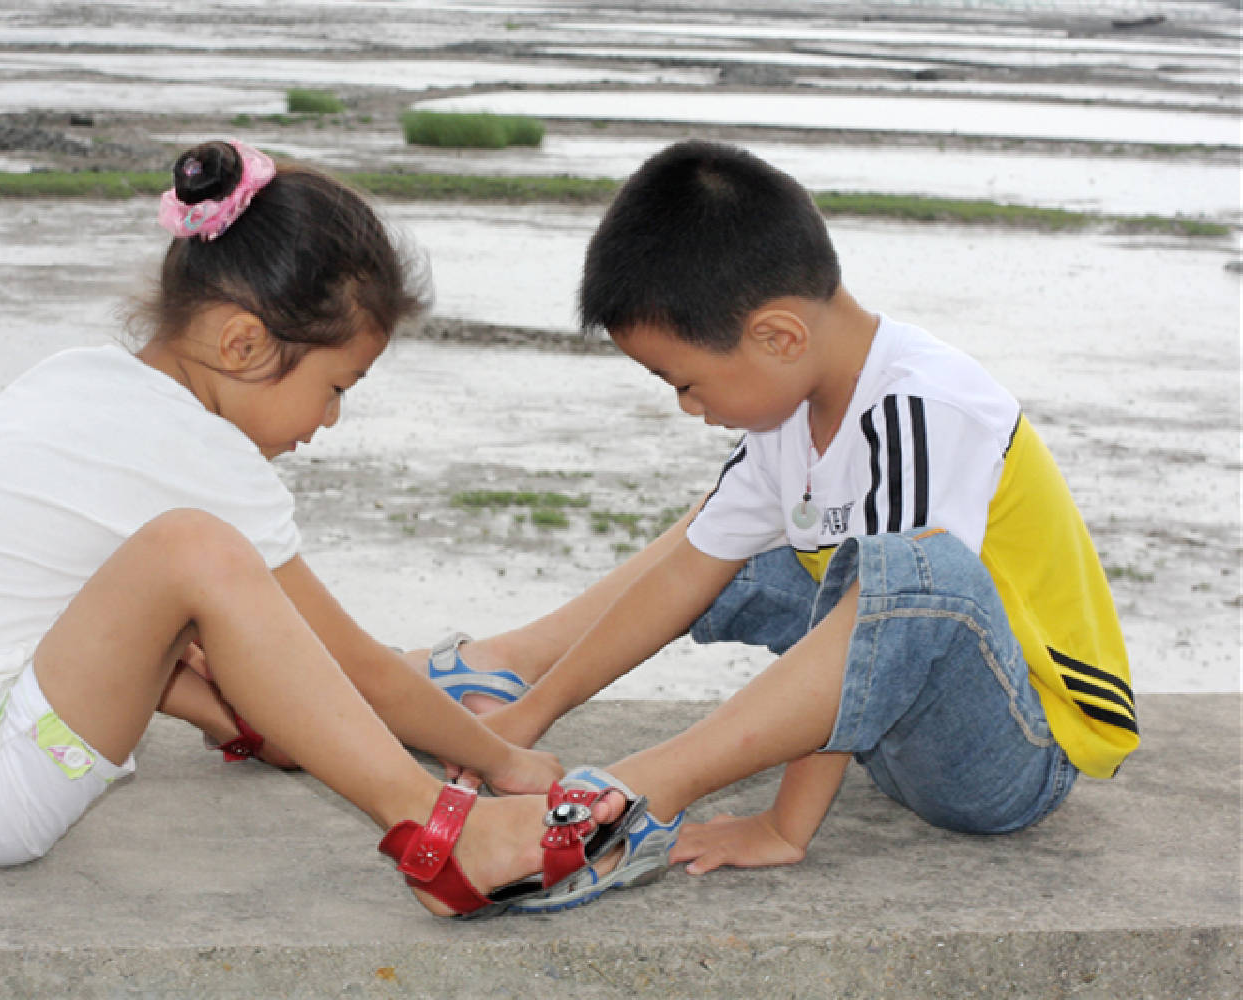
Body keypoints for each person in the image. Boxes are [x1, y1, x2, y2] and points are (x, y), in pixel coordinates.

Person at [0, 140, 642, 918]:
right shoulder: (201, 454)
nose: (330, 420)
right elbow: (356, 669)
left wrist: (235, 712)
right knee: (196, 549)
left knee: (167, 564)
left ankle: (246, 720)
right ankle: (439, 833)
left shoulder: (76, 379)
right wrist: (502, 759)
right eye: (337, 385)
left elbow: (56, 611)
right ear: (243, 343)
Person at [425, 140, 1139, 876]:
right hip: (891, 740)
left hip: (1008, 759)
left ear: (778, 335)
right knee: (718, 550)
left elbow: (894, 618)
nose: (687, 407)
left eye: (687, 382)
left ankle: (651, 783)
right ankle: (506, 682)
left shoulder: (924, 406)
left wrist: (784, 824)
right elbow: (684, 578)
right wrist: (521, 726)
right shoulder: (787, 418)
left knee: (917, 572)